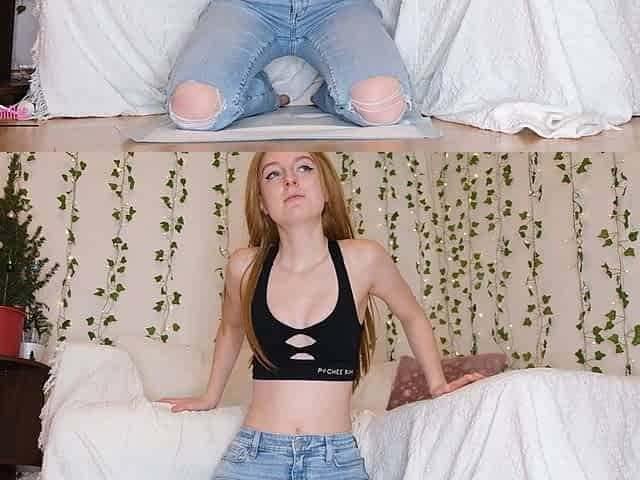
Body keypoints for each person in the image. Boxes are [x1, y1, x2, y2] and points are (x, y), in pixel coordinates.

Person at [158, 152, 484, 479]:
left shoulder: (363, 260)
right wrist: (210, 396)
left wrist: (437, 383)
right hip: (256, 457)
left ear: (326, 190)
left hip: (334, 461)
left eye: (304, 168)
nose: (290, 180)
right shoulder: (244, 268)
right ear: (262, 203)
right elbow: (231, 329)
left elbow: (411, 314)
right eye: (273, 174)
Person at [165, 0, 416, 131]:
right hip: (245, 7)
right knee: (192, 106)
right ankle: (263, 97)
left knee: (382, 104)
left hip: (339, 7)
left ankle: (331, 95)